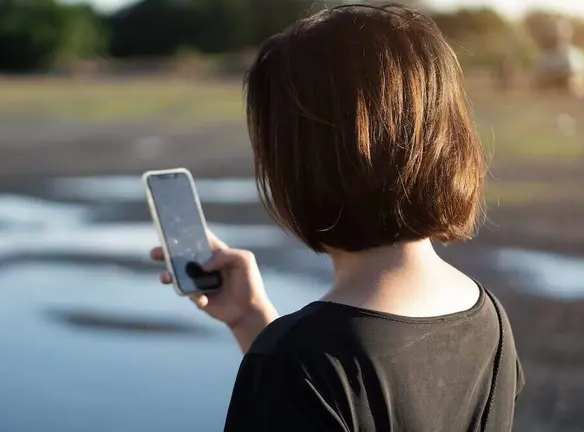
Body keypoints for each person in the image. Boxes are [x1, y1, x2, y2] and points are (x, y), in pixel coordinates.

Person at [149, 4, 523, 431]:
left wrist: (276, 350)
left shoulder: (294, 362)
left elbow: (322, 382)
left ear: (298, 167)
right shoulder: (489, 318)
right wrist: (250, 317)